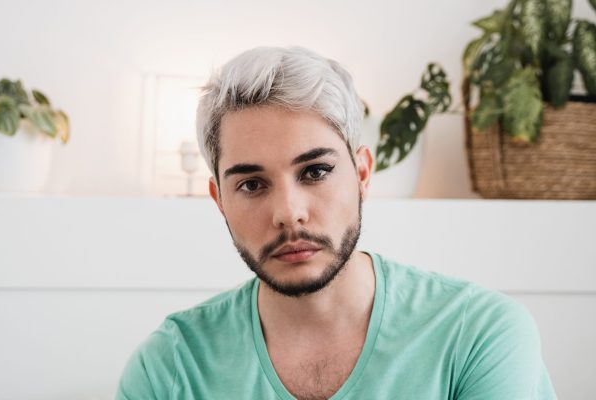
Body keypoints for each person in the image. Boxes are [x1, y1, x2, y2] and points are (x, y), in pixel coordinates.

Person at [116, 47, 556, 400]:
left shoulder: (479, 336)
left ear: (362, 173)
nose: (289, 213)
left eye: (315, 172)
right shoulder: (170, 368)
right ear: (219, 201)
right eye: (251, 184)